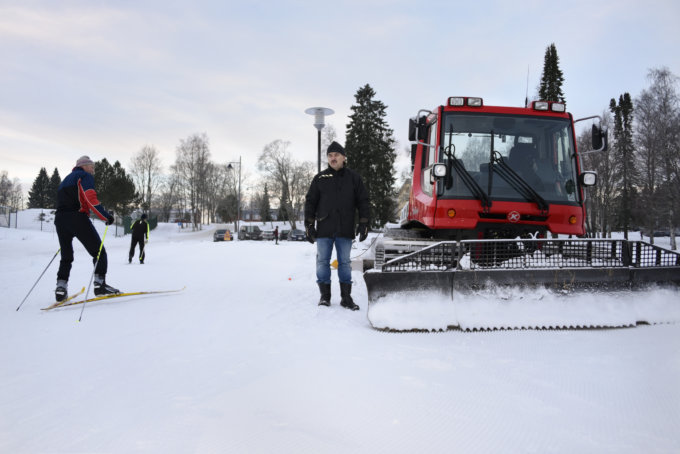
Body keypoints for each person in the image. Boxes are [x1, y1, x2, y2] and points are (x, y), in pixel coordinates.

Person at [304, 141, 370, 310]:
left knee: (345, 263)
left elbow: (363, 201)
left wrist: (363, 223)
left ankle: (346, 297)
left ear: (343, 157)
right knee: (322, 262)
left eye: (336, 155)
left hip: (345, 228)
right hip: (324, 228)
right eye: (330, 156)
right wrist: (309, 226)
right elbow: (310, 202)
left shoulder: (354, 178)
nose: (333, 158)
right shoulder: (319, 178)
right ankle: (325, 296)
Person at [54, 156, 120, 302]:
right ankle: (99, 284)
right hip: (77, 218)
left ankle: (61, 288)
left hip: (60, 219)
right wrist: (106, 216)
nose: (93, 170)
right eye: (92, 167)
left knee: (66, 256)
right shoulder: (84, 176)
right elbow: (90, 198)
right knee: (99, 252)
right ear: (84, 166)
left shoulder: (65, 179)